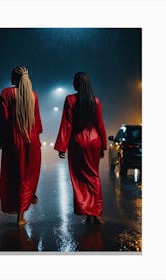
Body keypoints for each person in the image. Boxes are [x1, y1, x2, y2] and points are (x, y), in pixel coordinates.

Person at [54, 72, 107, 224]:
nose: (72, 83)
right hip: (94, 141)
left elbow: (67, 124)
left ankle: (87, 210)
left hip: (78, 142)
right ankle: (95, 212)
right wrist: (103, 145)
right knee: (93, 176)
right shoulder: (95, 101)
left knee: (80, 178)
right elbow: (100, 124)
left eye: (74, 81)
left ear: (77, 84)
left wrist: (62, 147)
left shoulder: (70, 99)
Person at [0, 66, 43, 226]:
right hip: (32, 139)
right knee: (28, 176)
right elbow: (37, 123)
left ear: (15, 78)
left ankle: (19, 209)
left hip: (13, 139)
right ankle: (22, 213)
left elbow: (3, 119)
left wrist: (1, 139)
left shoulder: (6, 93)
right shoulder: (34, 96)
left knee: (14, 176)